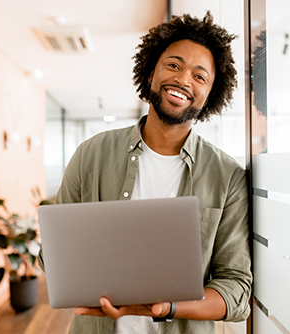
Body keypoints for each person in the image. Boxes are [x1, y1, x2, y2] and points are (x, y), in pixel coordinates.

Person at [38, 11, 252, 334]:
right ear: (152, 71)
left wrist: (169, 308)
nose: (183, 80)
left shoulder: (228, 176)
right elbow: (52, 257)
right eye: (174, 65)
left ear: (209, 95)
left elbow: (237, 291)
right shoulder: (90, 155)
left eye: (199, 76)